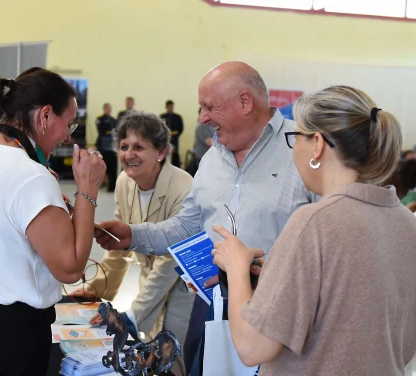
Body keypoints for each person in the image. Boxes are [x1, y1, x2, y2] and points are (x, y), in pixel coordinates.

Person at [94, 61, 315, 375]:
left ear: (245, 101)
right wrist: (133, 234)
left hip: (279, 311)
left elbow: (329, 240)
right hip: (212, 302)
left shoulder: (302, 148)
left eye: (209, 107)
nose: (201, 118)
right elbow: (187, 226)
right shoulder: (212, 159)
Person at [211, 86, 416, 375]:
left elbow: (252, 347)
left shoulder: (314, 223)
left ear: (317, 144)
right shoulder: (408, 225)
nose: (294, 151)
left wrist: (235, 266)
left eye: (296, 138)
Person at [0, 67, 107, 375]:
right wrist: (87, 189)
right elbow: (70, 268)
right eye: (69, 123)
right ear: (46, 116)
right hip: (3, 339)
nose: (68, 135)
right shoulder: (31, 175)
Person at [73, 112, 195, 375]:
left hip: (182, 291)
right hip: (149, 285)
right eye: (124, 146)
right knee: (150, 362)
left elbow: (169, 261)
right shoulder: (124, 183)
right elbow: (120, 246)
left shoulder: (183, 187)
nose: (129, 154)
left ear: (161, 152)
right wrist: (97, 290)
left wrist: (132, 314)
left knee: (174, 363)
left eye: (139, 147)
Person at [95, 103, 118, 192]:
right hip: (102, 145)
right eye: (107, 108)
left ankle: (111, 184)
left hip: (111, 146)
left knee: (112, 165)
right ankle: (102, 181)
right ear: (104, 109)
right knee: (103, 164)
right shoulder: (100, 119)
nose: (109, 110)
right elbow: (102, 131)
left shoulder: (113, 120)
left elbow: (115, 130)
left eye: (110, 108)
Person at [187, 108, 215, 177]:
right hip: (203, 159)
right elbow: (210, 143)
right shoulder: (202, 127)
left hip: (208, 158)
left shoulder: (210, 126)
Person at [160, 100, 184, 168]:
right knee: (165, 154)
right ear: (166, 107)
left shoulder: (177, 117)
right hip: (164, 140)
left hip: (174, 139)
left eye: (171, 106)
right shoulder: (162, 116)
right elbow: (159, 128)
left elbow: (181, 128)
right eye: (169, 106)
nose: (170, 108)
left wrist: (175, 136)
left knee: (174, 155)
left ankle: (175, 168)